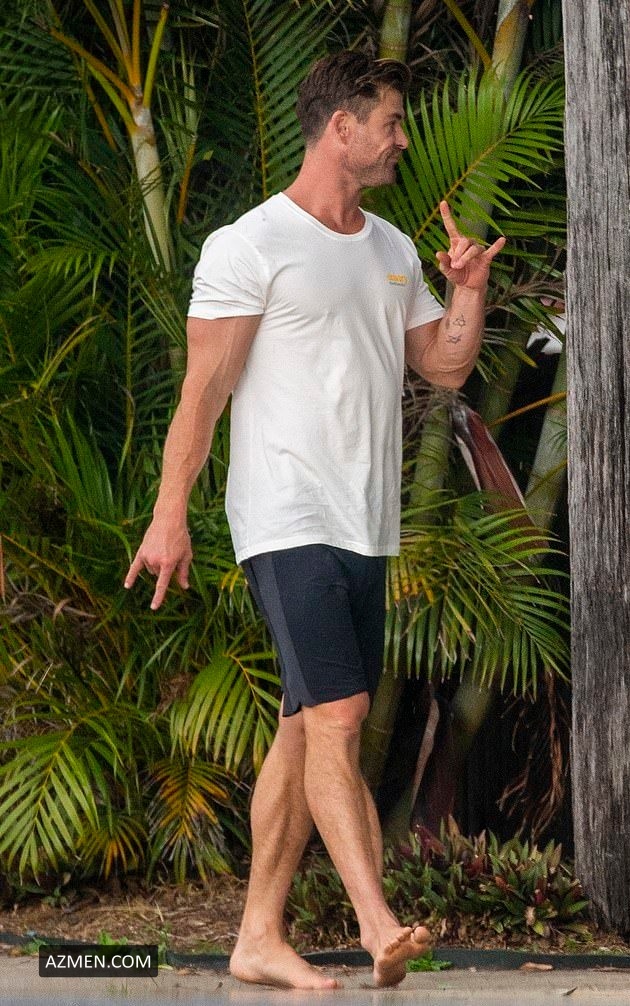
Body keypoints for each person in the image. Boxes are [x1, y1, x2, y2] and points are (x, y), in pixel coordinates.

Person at [124, 50, 505, 990]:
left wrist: (467, 288)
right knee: (340, 714)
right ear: (342, 128)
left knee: (303, 727)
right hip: (285, 516)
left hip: (366, 526)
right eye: (391, 122)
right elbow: (203, 394)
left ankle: (257, 936)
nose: (403, 139)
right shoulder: (250, 244)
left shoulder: (390, 249)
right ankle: (379, 926)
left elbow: (444, 366)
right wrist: (170, 513)